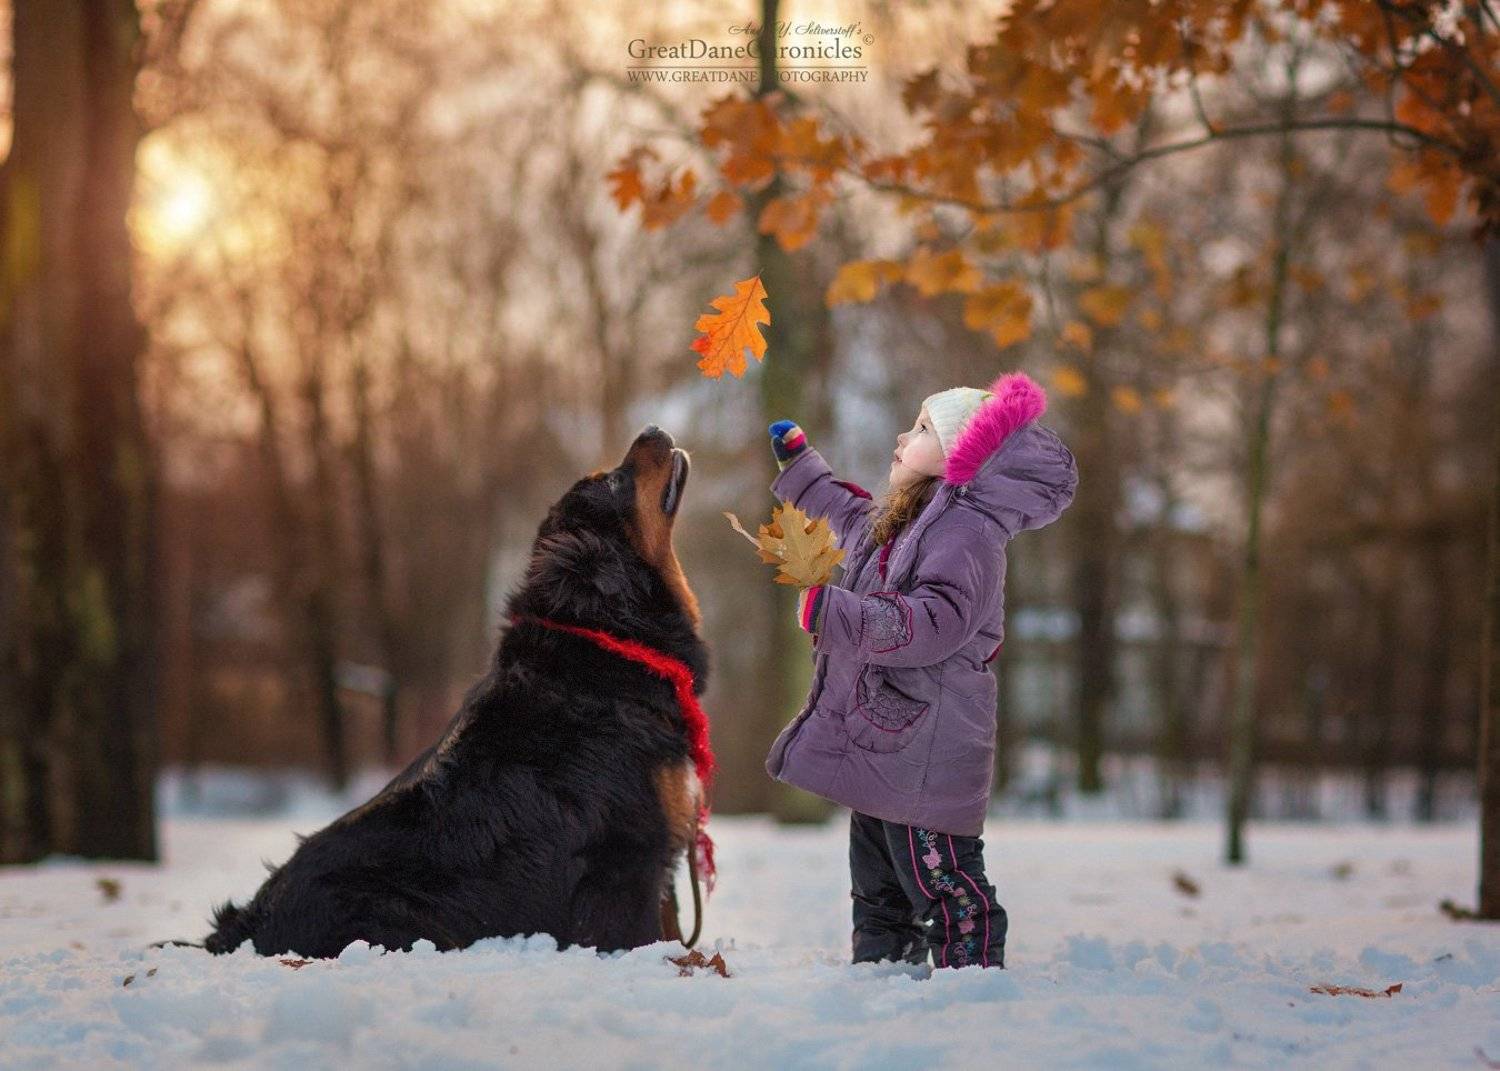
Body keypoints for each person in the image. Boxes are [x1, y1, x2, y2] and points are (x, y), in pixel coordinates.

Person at [765, 369, 1078, 971]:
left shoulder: (968, 536)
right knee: (877, 882)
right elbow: (848, 516)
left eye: (921, 429)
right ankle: (884, 973)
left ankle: (973, 979)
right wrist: (805, 469)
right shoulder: (910, 517)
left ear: (961, 456)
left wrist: (837, 612)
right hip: (889, 737)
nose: (901, 439)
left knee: (942, 880)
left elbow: (933, 622)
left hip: (928, 750)